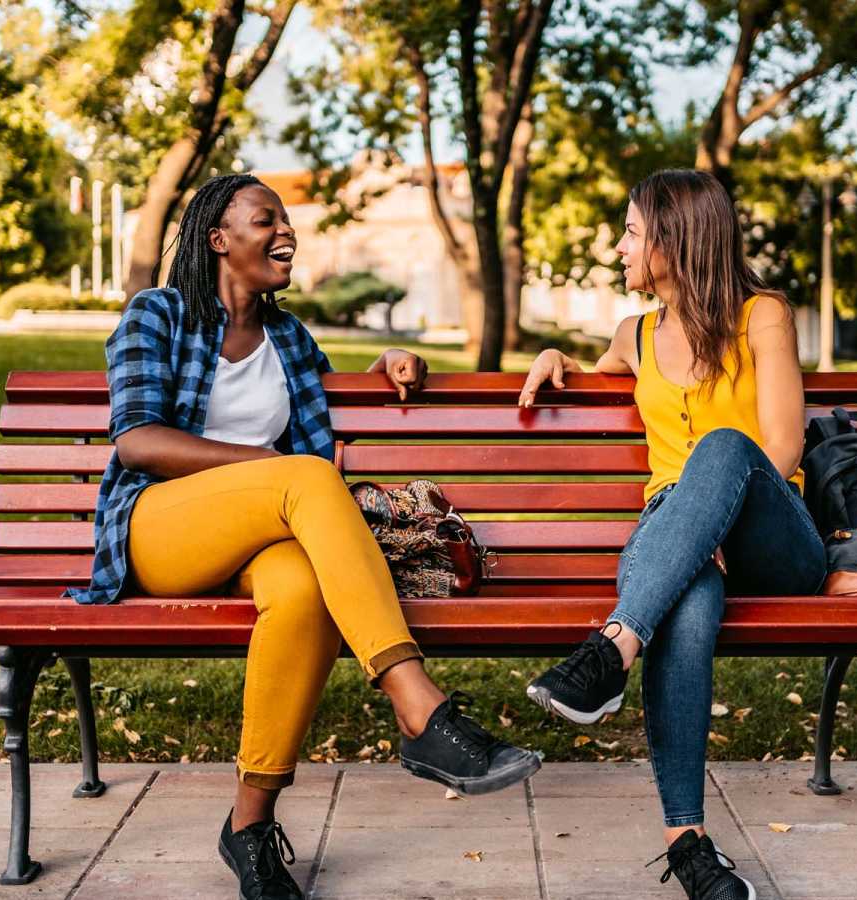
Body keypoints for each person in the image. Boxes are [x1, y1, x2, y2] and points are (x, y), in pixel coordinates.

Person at [73, 173, 540, 900]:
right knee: (304, 478)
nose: (286, 233)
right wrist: (268, 468)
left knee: (302, 589)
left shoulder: (288, 337)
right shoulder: (155, 315)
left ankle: (250, 828)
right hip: (161, 532)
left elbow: (318, 419)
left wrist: (383, 367)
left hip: (256, 544)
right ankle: (418, 705)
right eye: (266, 221)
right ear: (218, 240)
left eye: (287, 222)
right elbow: (138, 441)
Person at [517, 169, 826, 900]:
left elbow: (780, 451)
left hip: (771, 532)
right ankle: (685, 842)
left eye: (630, 231)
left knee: (722, 446)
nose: (618, 246)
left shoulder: (763, 316)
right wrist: (558, 359)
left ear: (674, 238)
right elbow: (593, 376)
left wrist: (713, 520)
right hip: (677, 539)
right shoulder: (635, 333)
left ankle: (612, 649)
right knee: (686, 600)